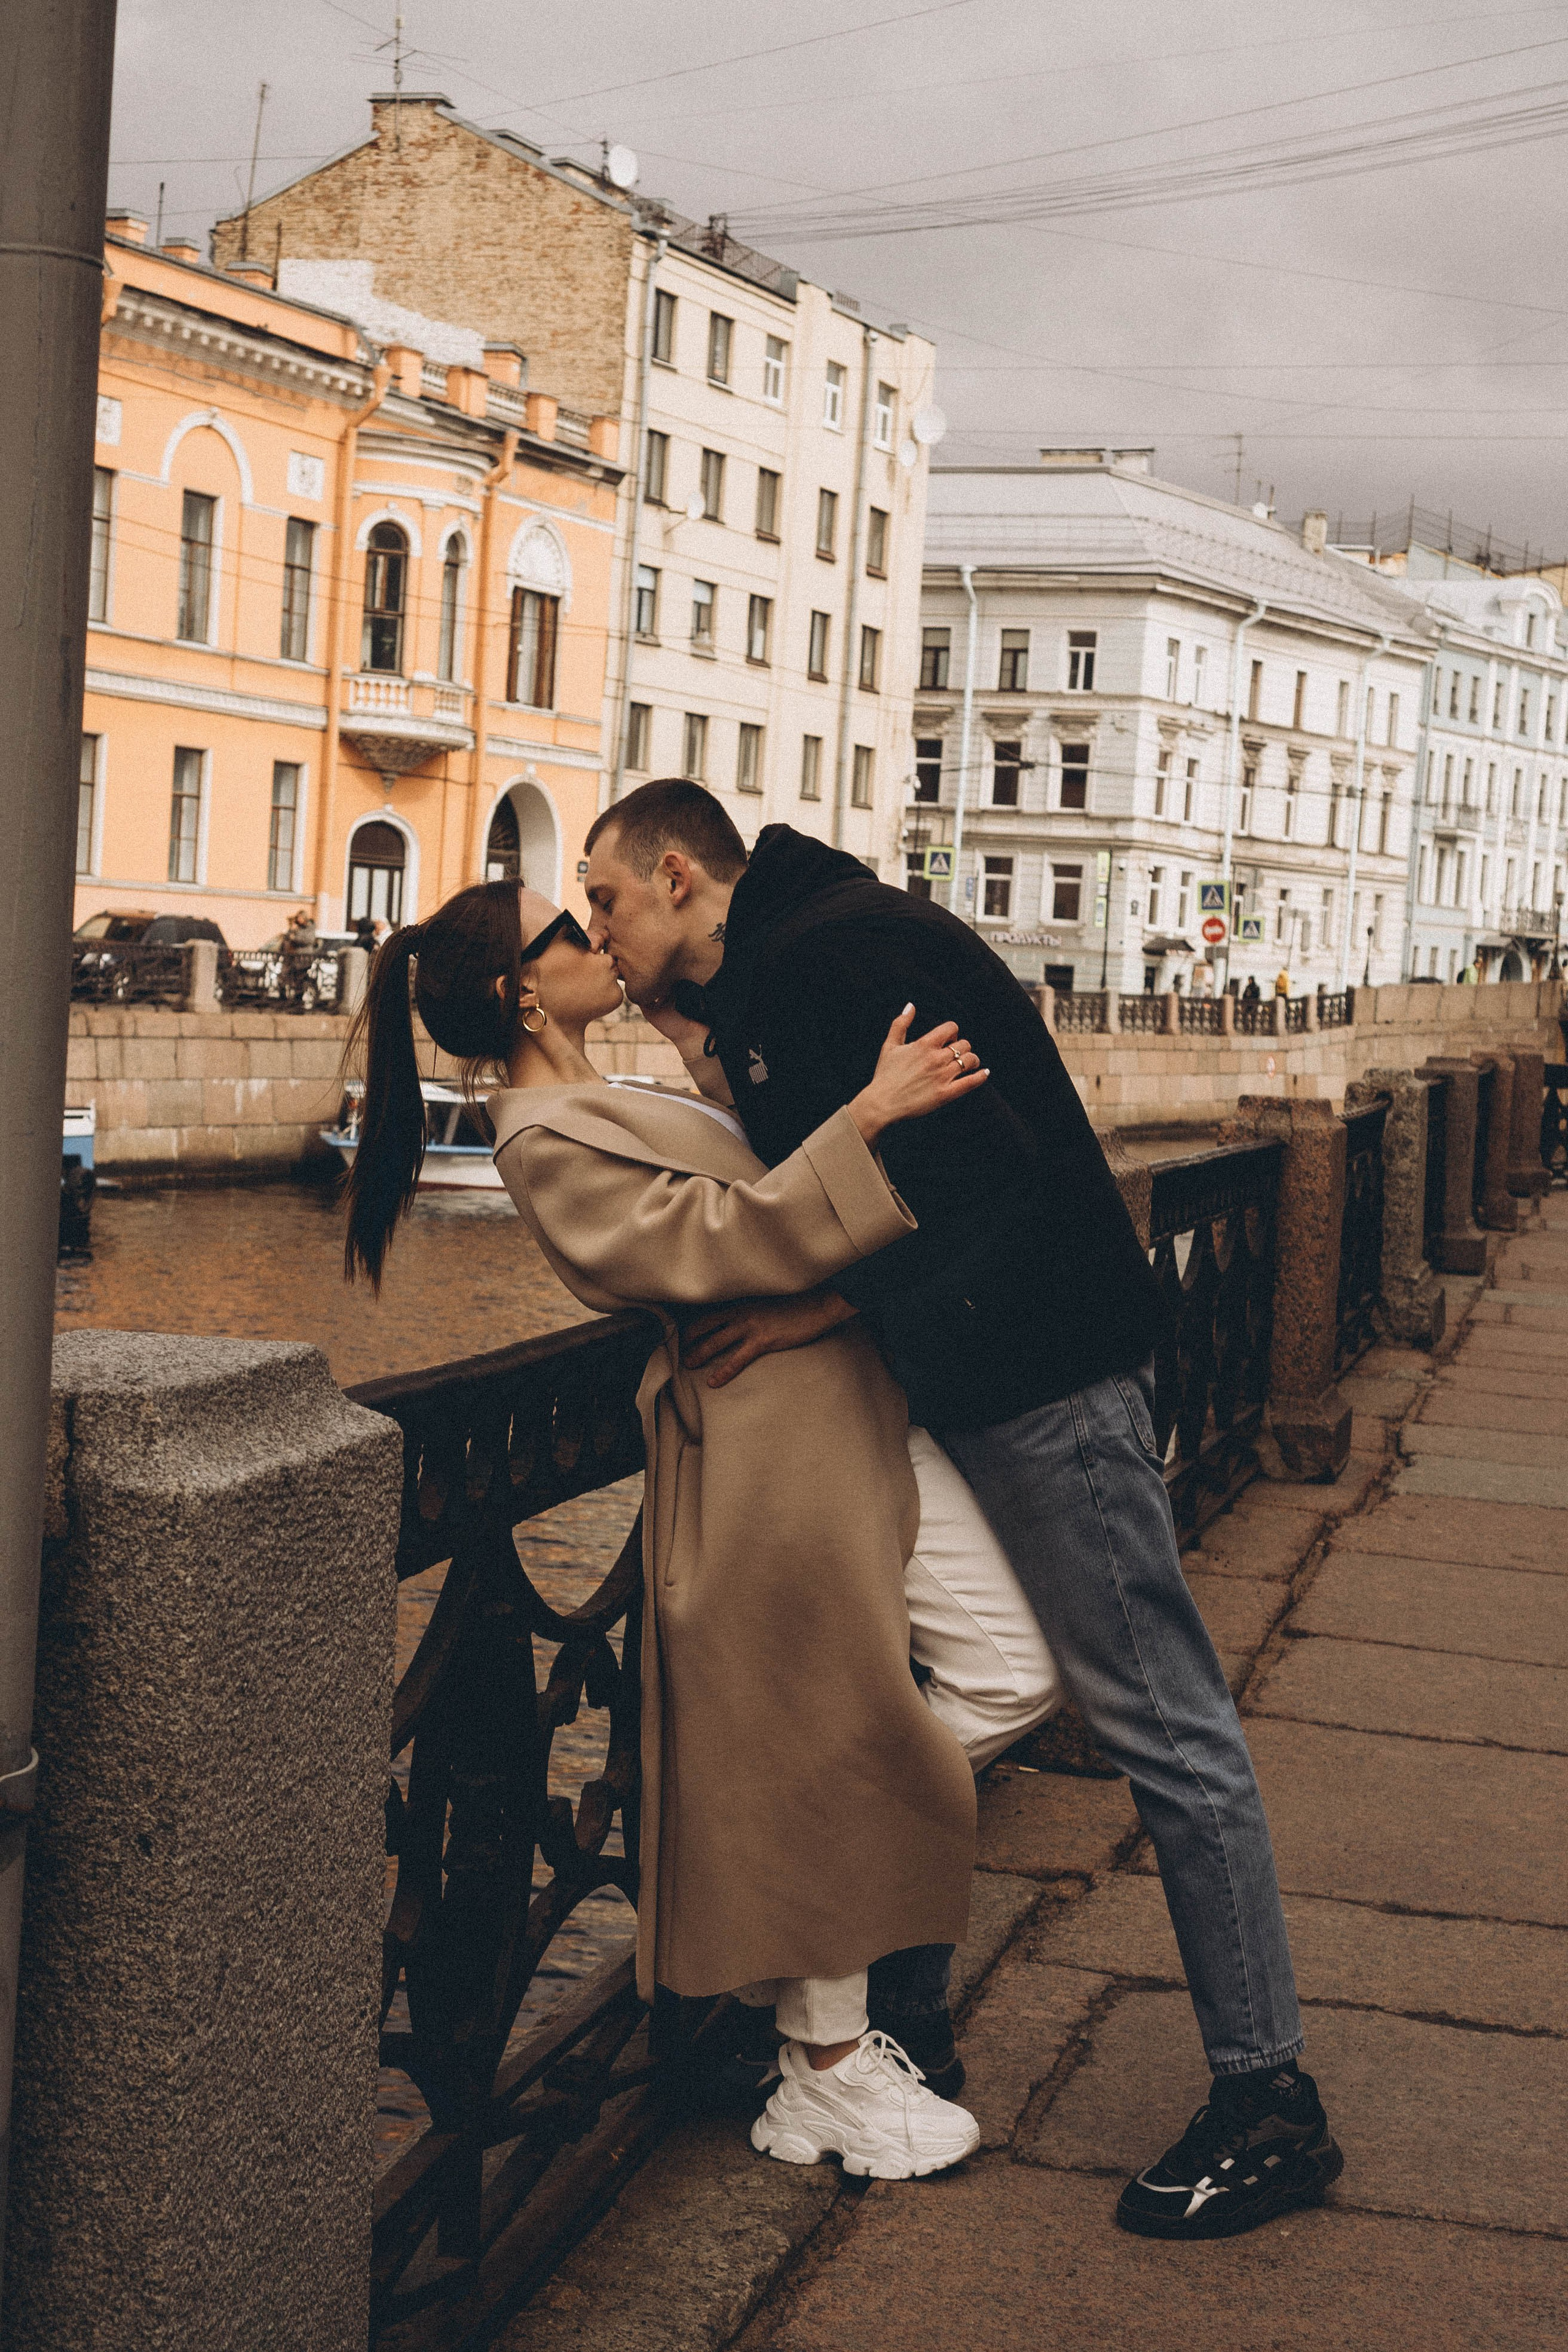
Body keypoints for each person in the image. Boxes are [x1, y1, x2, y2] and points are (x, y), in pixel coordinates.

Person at [583, 780, 1343, 2245]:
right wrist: (696, 1041)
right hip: (983, 1380)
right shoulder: (791, 961)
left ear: (678, 876)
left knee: (1167, 1731)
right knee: (938, 1688)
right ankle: (886, 2013)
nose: (596, 932)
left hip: (1042, 1384)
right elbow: (843, 1154)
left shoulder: (833, 960)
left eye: (608, 901)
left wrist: (805, 1308)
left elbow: (969, 1188)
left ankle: (1267, 2105)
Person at [341, 880, 1060, 2182]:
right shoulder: (535, 1138)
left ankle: (816, 1983)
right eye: (570, 930)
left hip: (842, 1407)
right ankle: (825, 2062)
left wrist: (713, 1056)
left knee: (1001, 1675)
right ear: (518, 990)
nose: (594, 935)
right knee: (863, 1730)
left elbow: (748, 1168)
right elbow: (718, 1234)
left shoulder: (609, 1084)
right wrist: (873, 1111)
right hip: (768, 1458)